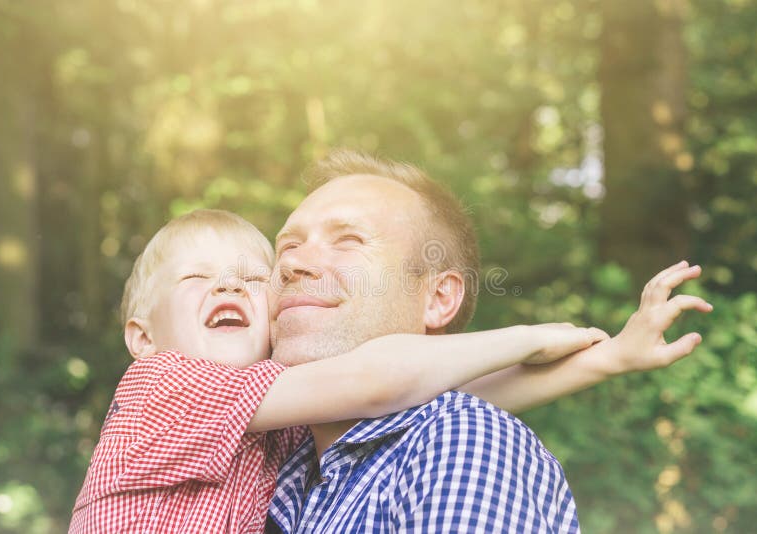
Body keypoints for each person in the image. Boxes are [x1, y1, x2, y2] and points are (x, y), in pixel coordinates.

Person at [68, 208, 608, 534]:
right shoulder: (161, 386)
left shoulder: (274, 415)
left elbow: (428, 397)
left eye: (253, 280)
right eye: (196, 278)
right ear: (142, 337)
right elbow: (380, 382)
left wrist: (605, 361)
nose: (229, 287)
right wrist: (527, 337)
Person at [266, 149, 712, 532]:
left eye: (348, 240)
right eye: (286, 246)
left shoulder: (459, 443)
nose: (294, 263)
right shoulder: (276, 454)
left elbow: (397, 384)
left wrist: (608, 356)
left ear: (439, 298)